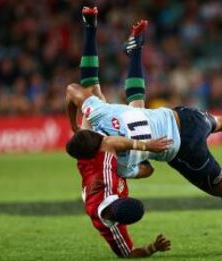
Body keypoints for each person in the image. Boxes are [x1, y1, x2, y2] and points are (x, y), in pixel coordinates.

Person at [66, 6, 222, 251]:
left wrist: (137, 162)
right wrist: (74, 125)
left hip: (186, 151)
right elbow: (82, 88)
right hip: (182, 115)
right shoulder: (101, 113)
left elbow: (147, 171)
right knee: (219, 121)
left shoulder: (117, 163)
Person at [67, 7, 171, 258]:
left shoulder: (104, 171)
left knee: (93, 92)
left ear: (117, 202)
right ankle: (134, 52)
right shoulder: (107, 222)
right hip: (112, 161)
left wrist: (147, 147)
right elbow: (128, 254)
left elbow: (110, 144)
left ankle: (90, 28)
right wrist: (151, 248)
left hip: (97, 146)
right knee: (137, 110)